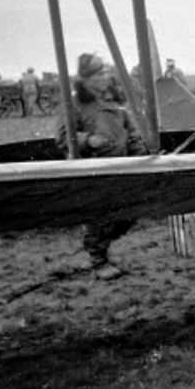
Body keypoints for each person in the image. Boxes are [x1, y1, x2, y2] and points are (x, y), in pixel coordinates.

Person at [56, 53, 147, 280]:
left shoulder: (112, 99)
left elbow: (130, 129)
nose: (106, 76)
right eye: (100, 73)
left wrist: (140, 153)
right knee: (102, 216)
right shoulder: (73, 104)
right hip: (94, 168)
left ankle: (96, 247)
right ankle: (97, 260)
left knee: (129, 213)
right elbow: (62, 138)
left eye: (106, 71)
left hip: (122, 166)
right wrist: (87, 141)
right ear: (86, 79)